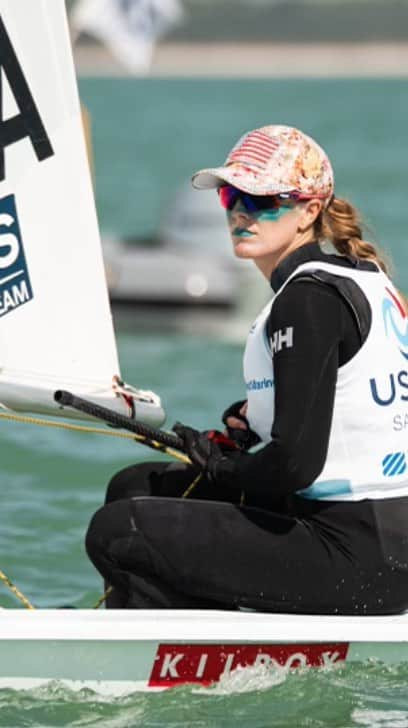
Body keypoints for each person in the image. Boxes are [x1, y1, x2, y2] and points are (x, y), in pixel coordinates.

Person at [86, 124, 408, 614]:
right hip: (377, 539)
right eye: (232, 196)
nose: (241, 212)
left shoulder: (307, 300)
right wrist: (253, 421)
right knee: (135, 486)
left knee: (119, 531)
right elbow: (355, 404)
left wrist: (222, 466)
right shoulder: (364, 280)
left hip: (361, 554)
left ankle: (174, 665)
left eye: (264, 200)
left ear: (309, 210)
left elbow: (296, 465)